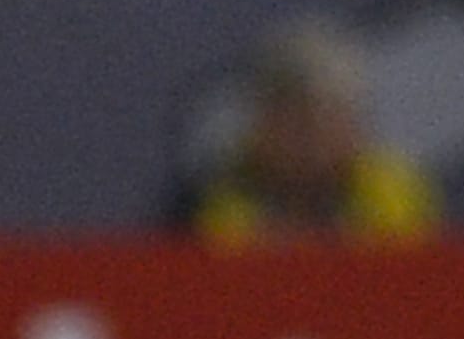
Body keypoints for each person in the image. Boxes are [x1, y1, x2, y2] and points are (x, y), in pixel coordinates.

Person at [183, 19, 439, 243]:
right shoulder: (203, 202)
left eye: (329, 116)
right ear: (259, 125)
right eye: (292, 116)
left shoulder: (401, 196)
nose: (311, 137)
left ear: (357, 125)